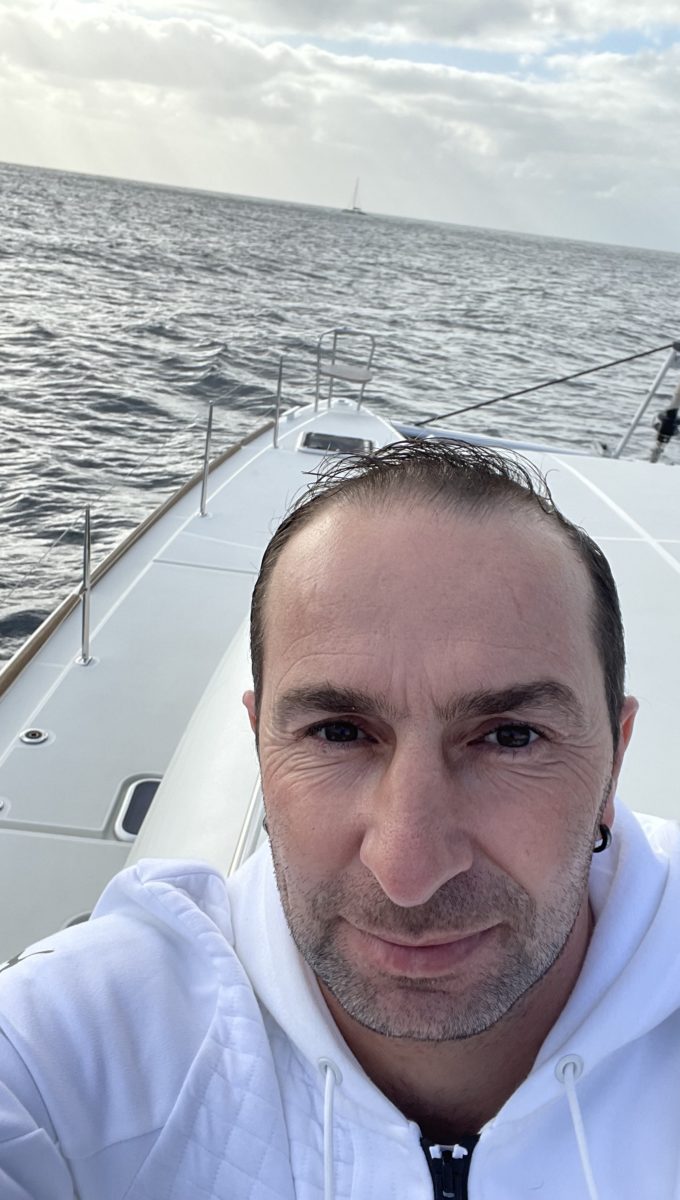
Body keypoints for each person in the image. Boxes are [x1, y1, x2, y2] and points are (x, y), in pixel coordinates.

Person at [0, 439, 677, 1200]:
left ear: (613, 761)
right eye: (339, 732)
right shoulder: (72, 1052)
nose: (409, 871)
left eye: (512, 737)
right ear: (261, 747)